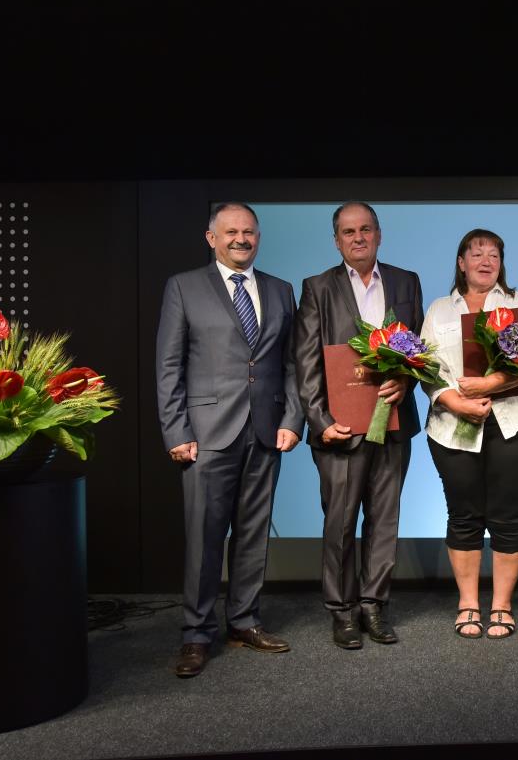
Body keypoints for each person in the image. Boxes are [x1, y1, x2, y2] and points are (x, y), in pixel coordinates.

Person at [156, 202, 304, 678]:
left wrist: (293, 419)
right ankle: (197, 634)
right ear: (211, 238)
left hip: (266, 430)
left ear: (258, 237)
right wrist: (176, 429)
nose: (241, 239)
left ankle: (243, 621)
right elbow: (169, 365)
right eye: (231, 232)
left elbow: (292, 364)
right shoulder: (183, 287)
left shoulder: (280, 290)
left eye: (249, 232)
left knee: (253, 534)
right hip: (206, 436)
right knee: (204, 538)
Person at [294, 201, 424, 649]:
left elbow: (416, 347)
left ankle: (374, 606)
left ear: (379, 234)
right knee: (341, 522)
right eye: (348, 232)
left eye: (366, 229)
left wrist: (405, 382)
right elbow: (306, 361)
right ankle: (342, 611)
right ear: (337, 241)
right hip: (340, 428)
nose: (358, 238)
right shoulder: (317, 287)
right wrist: (320, 420)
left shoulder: (406, 281)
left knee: (385, 520)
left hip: (392, 422)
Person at [420, 229, 518, 639]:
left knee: (509, 514)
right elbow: (426, 366)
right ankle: (469, 604)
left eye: (493, 254)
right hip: (452, 427)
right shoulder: (440, 308)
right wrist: (455, 402)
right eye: (476, 254)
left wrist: (489, 385)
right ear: (461, 263)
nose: (485, 261)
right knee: (463, 515)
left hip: (511, 423)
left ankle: (502, 606)